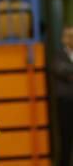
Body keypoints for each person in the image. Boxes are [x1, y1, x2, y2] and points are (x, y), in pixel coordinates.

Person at [53, 27, 73, 166]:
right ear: (63, 39)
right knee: (66, 137)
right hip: (65, 102)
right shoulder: (58, 55)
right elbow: (61, 71)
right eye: (69, 36)